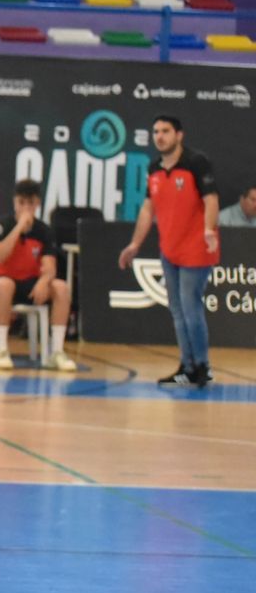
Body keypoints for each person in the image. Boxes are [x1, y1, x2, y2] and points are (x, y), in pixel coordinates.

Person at [120, 115, 220, 388]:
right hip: (170, 248)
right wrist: (134, 244)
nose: (159, 136)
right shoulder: (154, 168)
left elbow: (211, 199)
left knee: (190, 306)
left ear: (179, 135)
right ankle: (187, 366)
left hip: (196, 248)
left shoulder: (196, 163)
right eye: (155, 131)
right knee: (177, 309)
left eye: (165, 131)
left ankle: (201, 366)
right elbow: (148, 209)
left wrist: (209, 229)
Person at [0, 180, 79, 371]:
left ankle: (57, 352)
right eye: (22, 203)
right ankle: (1, 349)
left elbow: (49, 266)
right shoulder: (0, 225)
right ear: (14, 203)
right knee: (6, 285)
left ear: (38, 204)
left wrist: (44, 281)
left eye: (31, 203)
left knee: (61, 287)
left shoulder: (43, 231)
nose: (26, 208)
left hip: (28, 284)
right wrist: (19, 228)